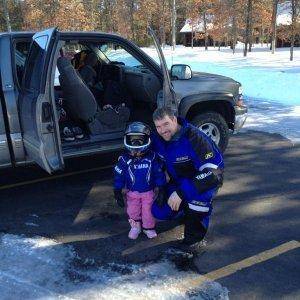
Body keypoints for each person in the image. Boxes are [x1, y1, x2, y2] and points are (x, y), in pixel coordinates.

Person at [151, 107, 224, 246]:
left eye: (166, 124)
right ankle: (185, 211)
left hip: (201, 182)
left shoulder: (196, 138)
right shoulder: (158, 138)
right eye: (158, 126)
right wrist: (161, 173)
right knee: (158, 211)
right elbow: (151, 158)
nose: (162, 130)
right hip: (177, 181)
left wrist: (181, 192)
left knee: (197, 203)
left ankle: (194, 239)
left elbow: (215, 173)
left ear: (174, 119)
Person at [113, 122, 166, 240]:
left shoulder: (151, 157)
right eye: (132, 140)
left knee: (148, 211)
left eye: (139, 140)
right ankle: (135, 227)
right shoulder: (124, 159)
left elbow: (158, 174)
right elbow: (118, 175)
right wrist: (117, 190)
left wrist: (161, 188)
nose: (136, 143)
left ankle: (148, 228)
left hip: (148, 192)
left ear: (147, 140)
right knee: (132, 210)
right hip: (132, 192)